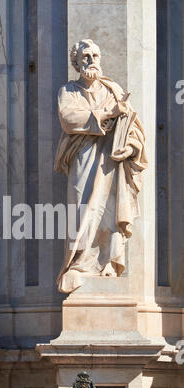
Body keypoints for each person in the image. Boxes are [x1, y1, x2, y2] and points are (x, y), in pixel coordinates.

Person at [55, 39, 148, 294]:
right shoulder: (68, 91)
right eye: (85, 56)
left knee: (108, 211)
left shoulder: (113, 89)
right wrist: (108, 113)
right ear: (75, 62)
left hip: (111, 163)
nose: (91, 60)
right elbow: (68, 119)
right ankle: (78, 265)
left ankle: (107, 262)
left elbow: (133, 126)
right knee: (81, 210)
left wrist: (130, 147)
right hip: (82, 159)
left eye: (95, 55)